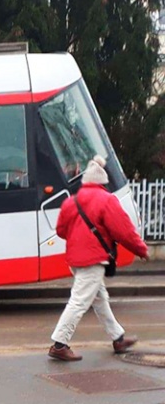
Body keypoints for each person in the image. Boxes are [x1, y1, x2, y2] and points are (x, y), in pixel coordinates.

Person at [48, 155, 149, 361]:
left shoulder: (71, 201)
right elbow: (124, 232)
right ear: (102, 182)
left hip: (75, 260)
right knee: (78, 302)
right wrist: (141, 249)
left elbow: (60, 230)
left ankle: (118, 338)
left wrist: (79, 240)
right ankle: (60, 343)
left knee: (100, 299)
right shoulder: (106, 200)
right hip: (93, 260)